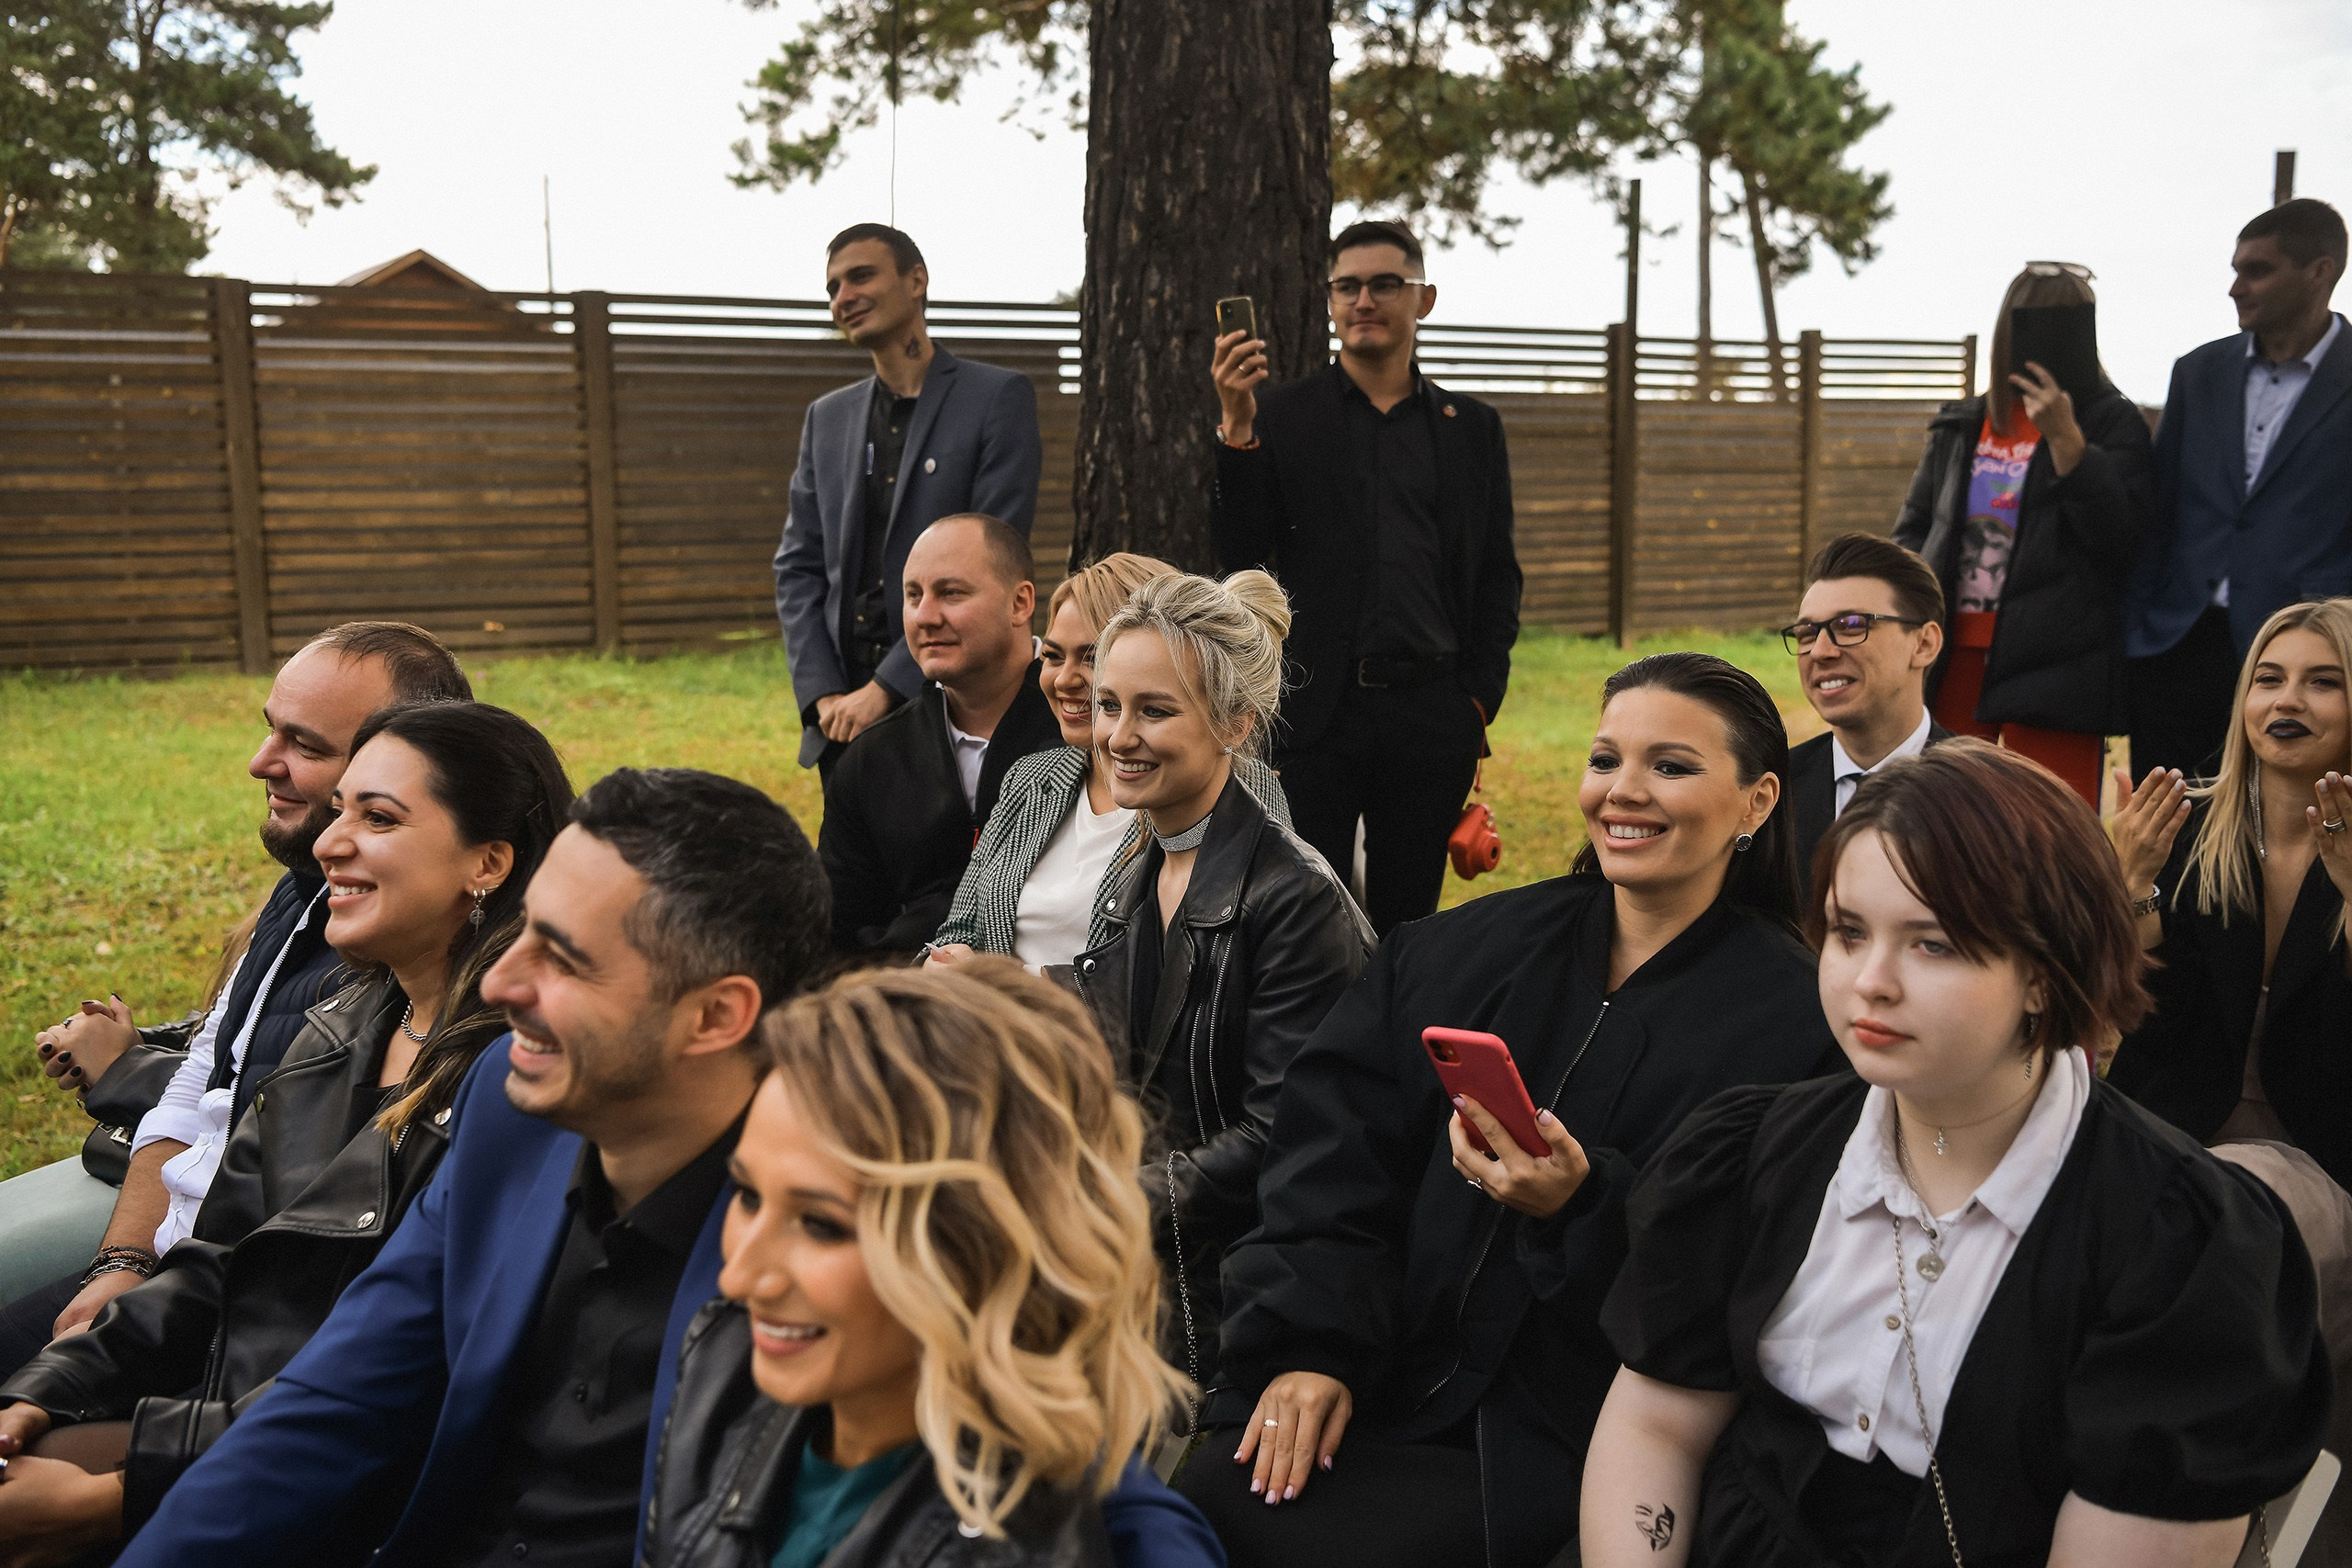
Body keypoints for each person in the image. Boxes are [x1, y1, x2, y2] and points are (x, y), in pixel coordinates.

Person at [87, 770, 1213, 1568]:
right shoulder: (510, 1109)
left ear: (715, 1016)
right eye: (520, 933)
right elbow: (340, 1400)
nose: (496, 987)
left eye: (563, 958)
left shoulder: (836, 1185)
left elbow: (1054, 1461)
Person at [1584, 739, 2328, 1568]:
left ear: (2045, 971)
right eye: (1849, 931)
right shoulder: (1756, 1153)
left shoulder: (2176, 1242)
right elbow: (1658, 1427)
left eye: (1932, 942)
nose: (1871, 979)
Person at [1193, 653, 1840, 1568]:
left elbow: (1745, 1283)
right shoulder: (1451, 957)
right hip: (1381, 1377)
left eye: (1671, 766)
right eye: (1606, 759)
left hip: (1580, 1443)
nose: (1623, 791)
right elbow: (1328, 1166)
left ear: (1758, 801)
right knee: (1205, 1503)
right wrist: (1310, 1347)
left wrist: (1582, 1209)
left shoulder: (1804, 1028)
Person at [0, 701, 571, 1554]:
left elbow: (408, 1382)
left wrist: (127, 1489)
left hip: (335, 1480)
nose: (331, 842)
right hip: (227, 1421)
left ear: (487, 861)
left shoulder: (522, 1082)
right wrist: (48, 1387)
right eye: (339, 810)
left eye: (378, 817)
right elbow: (216, 1261)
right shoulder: (339, 1028)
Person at [645, 960, 1225, 1568]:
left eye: (821, 1225)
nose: (738, 1278)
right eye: (747, 1195)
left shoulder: (1127, 1545)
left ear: (979, 1243)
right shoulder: (724, 1368)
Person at [2, 621, 471, 1371]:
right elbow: (206, 1078)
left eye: (305, 745)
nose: (260, 762)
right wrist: (122, 1261)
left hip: (237, 1316)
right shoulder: (298, 894)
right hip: (171, 1275)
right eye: (270, 729)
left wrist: (123, 1069)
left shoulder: (409, 961)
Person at [1068, 571, 1371, 1388]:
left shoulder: (1295, 899)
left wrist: (1102, 1204)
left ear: (1235, 724)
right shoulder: (1139, 871)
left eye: (1154, 710)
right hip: (1146, 1270)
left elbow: (1283, 1136)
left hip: (1239, 1304)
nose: (1118, 736)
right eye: (1108, 704)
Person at [1209, 218, 1521, 934]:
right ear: (1329, 301)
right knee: (1306, 915)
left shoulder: (1471, 427)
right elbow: (1242, 554)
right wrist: (1236, 426)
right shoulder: (1280, 415)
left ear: (1424, 298)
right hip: (1316, 711)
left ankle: (1396, 1011)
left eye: (1385, 284)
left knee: (1409, 922)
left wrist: (1477, 700)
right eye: (1347, 286)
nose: (1365, 300)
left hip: (1433, 714)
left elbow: (1497, 574)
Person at [926, 552, 1292, 974]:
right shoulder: (1032, 777)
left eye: (1091, 657)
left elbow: (1218, 970)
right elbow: (959, 928)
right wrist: (945, 965)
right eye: (1053, 656)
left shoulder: (1230, 789)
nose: (1065, 679)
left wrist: (1017, 989)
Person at [775, 223, 1045, 773]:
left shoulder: (997, 399)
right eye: (832, 288)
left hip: (952, 704)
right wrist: (824, 694)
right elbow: (798, 567)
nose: (843, 297)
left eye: (860, 276)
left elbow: (994, 561)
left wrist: (886, 688)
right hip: (841, 719)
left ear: (916, 280)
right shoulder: (826, 418)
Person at [1893, 262, 2153, 808]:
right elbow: (1915, 529)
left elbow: (2123, 541)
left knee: (2052, 825)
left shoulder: (2112, 422)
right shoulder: (1963, 423)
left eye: (2068, 324)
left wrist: (2070, 445)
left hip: (2059, 663)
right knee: (1946, 817)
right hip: (1952, 652)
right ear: (2010, 328)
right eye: (2035, 322)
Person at [2109, 599, 2352, 1182]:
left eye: (2323, 682)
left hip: (2325, 1160)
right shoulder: (2180, 826)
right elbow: (2153, 1032)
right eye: (2268, 679)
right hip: (2169, 1141)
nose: (2287, 700)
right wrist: (2134, 884)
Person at [2131, 199, 2352, 780]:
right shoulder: (2197, 372)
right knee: (2169, 819)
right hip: (2177, 644)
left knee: (2288, 819)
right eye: (2236, 270)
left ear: (2320, 272)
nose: (2236, 288)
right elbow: (2160, 509)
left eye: (2257, 271)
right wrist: (2141, 623)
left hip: (2307, 652)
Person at [820, 513, 1062, 954]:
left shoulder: (1085, 735)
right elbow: (839, 934)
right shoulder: (870, 762)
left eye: (951, 593)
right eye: (913, 595)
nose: (925, 617)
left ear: (1020, 603)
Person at [1781, 533, 1951, 876]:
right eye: (1807, 633)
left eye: (1850, 625)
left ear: (1924, 644)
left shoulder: (1990, 795)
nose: (1820, 651)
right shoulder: (1770, 792)